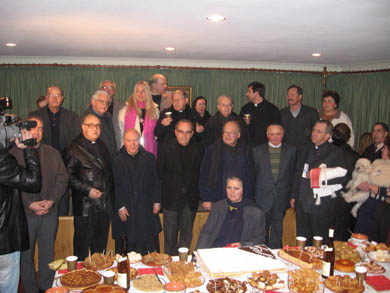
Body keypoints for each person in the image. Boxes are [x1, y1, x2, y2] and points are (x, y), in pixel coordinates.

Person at [10, 116, 68, 292]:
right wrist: (29, 204)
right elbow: (11, 187)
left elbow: (62, 178)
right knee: (25, 257)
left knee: (47, 254)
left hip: (49, 213)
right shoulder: (13, 154)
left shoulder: (52, 152)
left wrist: (51, 201)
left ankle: (46, 287)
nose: (36, 131)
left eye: (40, 128)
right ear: (24, 130)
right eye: (33, 128)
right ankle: (30, 289)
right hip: (25, 215)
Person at [64, 114, 114, 260]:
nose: (96, 129)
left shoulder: (102, 145)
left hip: (103, 204)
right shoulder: (73, 148)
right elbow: (67, 176)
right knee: (82, 249)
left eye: (98, 126)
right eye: (91, 125)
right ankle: (82, 281)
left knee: (100, 250)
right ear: (83, 127)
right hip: (86, 206)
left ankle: (99, 278)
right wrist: (87, 190)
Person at [0, 130, 42, 293]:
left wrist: (10, 143)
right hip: (4, 241)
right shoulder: (3, 161)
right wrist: (29, 148)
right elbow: (33, 182)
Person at [292, 120, 346, 245]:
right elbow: (297, 173)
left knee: (318, 240)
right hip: (302, 201)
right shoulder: (305, 148)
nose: (314, 133)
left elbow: (342, 178)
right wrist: (294, 195)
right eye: (314, 130)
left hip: (321, 205)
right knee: (301, 238)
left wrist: (319, 175)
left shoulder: (335, 152)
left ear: (327, 136)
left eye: (319, 131)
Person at [30, 85, 80, 216]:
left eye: (58, 95)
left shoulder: (71, 117)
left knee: (62, 200)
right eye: (51, 95)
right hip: (41, 164)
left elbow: (74, 143)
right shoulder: (35, 116)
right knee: (40, 197)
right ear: (46, 97)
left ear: (62, 98)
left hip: (63, 165)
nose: (54, 98)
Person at [112, 129, 162, 255]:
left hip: (145, 207)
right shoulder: (116, 161)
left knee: (149, 248)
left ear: (139, 141)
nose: (132, 144)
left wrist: (157, 201)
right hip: (126, 208)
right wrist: (120, 206)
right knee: (127, 247)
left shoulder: (149, 158)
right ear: (124, 141)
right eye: (129, 141)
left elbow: (156, 181)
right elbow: (114, 186)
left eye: (135, 140)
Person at [157, 119, 202, 255]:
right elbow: (159, 174)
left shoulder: (198, 148)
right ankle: (169, 269)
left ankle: (182, 267)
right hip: (171, 200)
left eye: (188, 132)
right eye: (181, 132)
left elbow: (200, 174)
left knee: (186, 238)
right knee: (170, 239)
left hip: (190, 201)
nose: (184, 136)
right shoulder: (165, 147)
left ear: (192, 133)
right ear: (175, 132)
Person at [253, 123, 296, 248]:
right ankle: (262, 252)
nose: (275, 137)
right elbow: (253, 175)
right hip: (262, 197)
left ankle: (276, 254)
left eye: (278, 134)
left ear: (283, 134)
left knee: (278, 229)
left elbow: (294, 175)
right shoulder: (256, 151)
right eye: (272, 134)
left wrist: (292, 195)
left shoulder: (292, 151)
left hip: (282, 197)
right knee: (262, 229)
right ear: (267, 135)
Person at [197, 176, 266, 249]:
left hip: (240, 252)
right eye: (229, 188)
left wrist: (242, 244)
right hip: (216, 250)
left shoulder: (256, 213)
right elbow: (206, 233)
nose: (232, 192)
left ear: (243, 190)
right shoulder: (218, 207)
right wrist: (198, 254)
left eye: (236, 188)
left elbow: (260, 240)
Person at [199, 120, 255, 211]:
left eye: (231, 133)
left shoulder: (246, 151)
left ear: (238, 135)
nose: (227, 135)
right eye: (225, 132)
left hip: (241, 200)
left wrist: (248, 198)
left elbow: (250, 177)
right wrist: (206, 198)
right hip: (218, 198)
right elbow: (204, 176)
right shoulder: (212, 151)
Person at [355, 137, 390, 239]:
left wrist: (378, 189)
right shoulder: (376, 162)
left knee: (376, 242)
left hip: (383, 208)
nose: (382, 149)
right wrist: (359, 185)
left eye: (385, 148)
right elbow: (362, 175)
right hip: (367, 202)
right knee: (359, 237)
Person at [331, 123, 359, 241]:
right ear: (348, 137)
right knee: (340, 235)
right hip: (345, 199)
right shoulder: (355, 156)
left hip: (327, 198)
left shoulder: (327, 151)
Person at [118, 81, 159, 157]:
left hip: (149, 150)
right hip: (130, 151)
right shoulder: (124, 111)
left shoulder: (155, 110)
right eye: (137, 91)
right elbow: (121, 134)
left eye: (143, 91)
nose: (140, 94)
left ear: (147, 93)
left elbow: (156, 134)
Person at [240, 81, 280, 146]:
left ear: (256, 93)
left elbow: (277, 130)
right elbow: (240, 128)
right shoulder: (245, 108)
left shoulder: (272, 109)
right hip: (248, 147)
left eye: (249, 92)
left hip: (265, 147)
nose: (246, 94)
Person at [83, 90, 118, 158]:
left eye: (107, 103)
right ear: (93, 102)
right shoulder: (86, 119)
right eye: (101, 101)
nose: (104, 105)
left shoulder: (108, 116)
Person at [99, 80, 125, 148]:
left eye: (111, 87)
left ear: (114, 91)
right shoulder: (92, 106)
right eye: (104, 87)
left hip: (117, 146)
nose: (108, 90)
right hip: (98, 146)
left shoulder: (122, 107)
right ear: (100, 90)